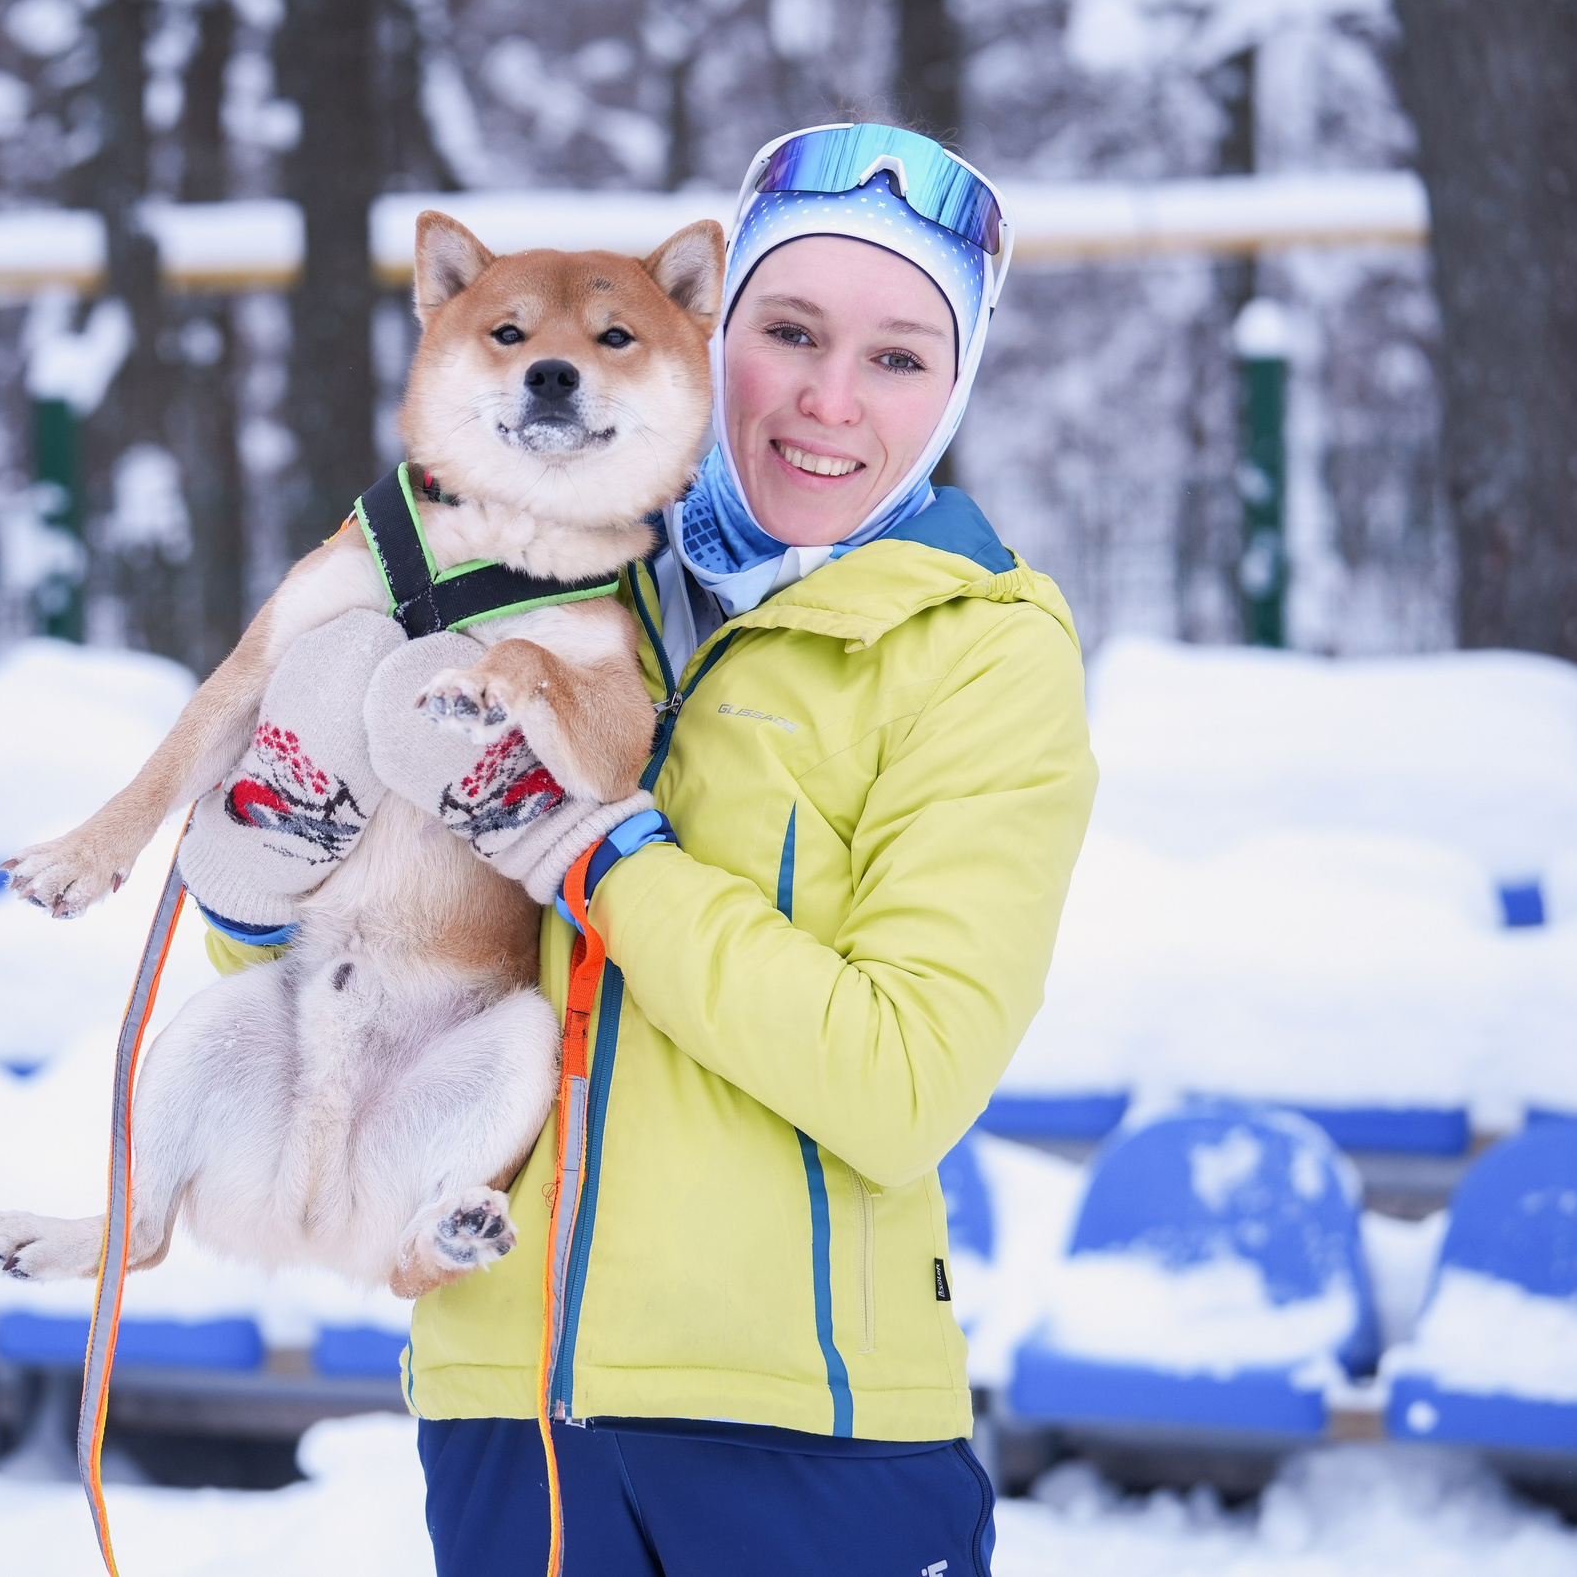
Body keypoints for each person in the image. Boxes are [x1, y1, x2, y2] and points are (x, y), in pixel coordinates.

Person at [203, 123, 1095, 1575]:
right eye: (788, 331)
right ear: (705, 333)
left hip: (806, 1446)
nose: (828, 398)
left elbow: (902, 1079)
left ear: (954, 389)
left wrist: (604, 855)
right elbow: (373, 971)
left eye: (898, 357)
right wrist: (264, 876)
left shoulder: (978, 652)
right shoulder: (530, 573)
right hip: (510, 1429)